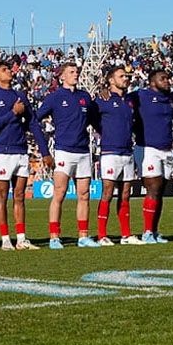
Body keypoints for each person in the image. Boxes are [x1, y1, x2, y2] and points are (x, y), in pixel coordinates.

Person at [0, 58, 49, 250]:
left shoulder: (21, 96)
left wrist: (44, 151)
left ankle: (21, 238)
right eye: (4, 69)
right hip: (2, 152)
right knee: (2, 196)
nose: (9, 71)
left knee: (20, 195)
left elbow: (33, 124)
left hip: (21, 151)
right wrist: (13, 113)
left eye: (9, 68)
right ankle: (5, 239)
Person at [35, 62, 98, 249]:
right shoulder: (54, 98)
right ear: (62, 76)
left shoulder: (85, 97)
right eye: (71, 72)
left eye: (76, 71)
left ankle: (83, 236)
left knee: (84, 194)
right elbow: (36, 118)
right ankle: (54, 236)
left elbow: (96, 121)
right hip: (63, 150)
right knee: (59, 193)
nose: (76, 74)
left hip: (83, 151)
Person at [94, 66, 144, 246]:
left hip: (127, 151)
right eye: (121, 76)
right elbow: (92, 117)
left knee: (125, 194)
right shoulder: (103, 99)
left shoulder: (130, 100)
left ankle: (126, 235)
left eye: (126, 76)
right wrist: (104, 133)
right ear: (111, 80)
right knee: (107, 192)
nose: (126, 78)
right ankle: (102, 235)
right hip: (110, 152)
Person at [130, 68, 173, 244]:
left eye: (168, 78)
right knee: (153, 188)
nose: (167, 81)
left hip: (166, 149)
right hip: (147, 148)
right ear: (151, 82)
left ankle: (154, 231)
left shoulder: (171, 98)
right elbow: (119, 100)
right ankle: (147, 232)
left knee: (160, 191)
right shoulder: (139, 95)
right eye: (163, 78)